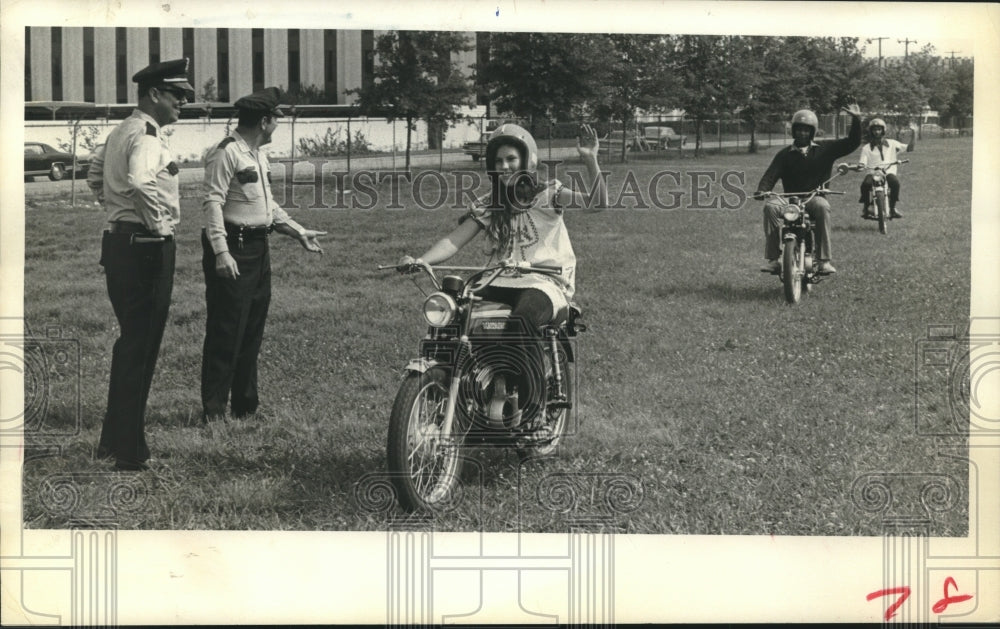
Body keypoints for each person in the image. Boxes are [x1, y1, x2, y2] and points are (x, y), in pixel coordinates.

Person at [396, 122, 607, 425]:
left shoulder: (549, 194)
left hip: (545, 282)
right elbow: (454, 240)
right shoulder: (489, 204)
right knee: (454, 312)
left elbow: (597, 203)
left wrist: (590, 158)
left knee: (522, 320)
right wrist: (421, 259)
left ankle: (531, 407)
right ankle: (454, 383)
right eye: (498, 161)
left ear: (527, 159)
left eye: (511, 159)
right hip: (498, 280)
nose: (505, 166)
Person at [200, 86, 326, 421]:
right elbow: (212, 202)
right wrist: (220, 251)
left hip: (258, 246)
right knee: (227, 330)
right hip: (233, 246)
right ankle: (214, 412)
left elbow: (267, 207)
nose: (277, 127)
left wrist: (298, 231)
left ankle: (245, 407)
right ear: (264, 121)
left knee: (252, 329)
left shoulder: (257, 154)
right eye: (276, 121)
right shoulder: (226, 152)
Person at [96, 58, 194, 471]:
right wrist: (156, 224)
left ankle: (111, 440)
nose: (182, 104)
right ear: (154, 94)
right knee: (142, 348)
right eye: (177, 96)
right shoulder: (149, 136)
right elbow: (139, 182)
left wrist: (117, 211)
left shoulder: (121, 130)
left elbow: (91, 175)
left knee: (130, 345)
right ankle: (130, 451)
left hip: (119, 244)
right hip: (146, 249)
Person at [754, 104, 863, 275]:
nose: (802, 133)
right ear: (794, 131)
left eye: (806, 130)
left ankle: (823, 260)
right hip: (790, 199)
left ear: (812, 132)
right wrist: (762, 189)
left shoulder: (825, 149)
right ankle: (773, 259)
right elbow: (771, 174)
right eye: (799, 129)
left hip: (814, 197)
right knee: (770, 207)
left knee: (822, 206)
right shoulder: (784, 155)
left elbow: (852, 142)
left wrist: (856, 120)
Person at [856, 118, 916, 219]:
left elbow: (910, 148)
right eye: (874, 129)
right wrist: (861, 165)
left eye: (879, 129)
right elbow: (863, 162)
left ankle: (892, 208)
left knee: (895, 183)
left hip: (888, 171)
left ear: (883, 130)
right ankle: (866, 207)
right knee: (865, 185)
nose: (877, 132)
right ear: (871, 131)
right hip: (873, 172)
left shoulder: (892, 143)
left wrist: (914, 133)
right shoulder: (866, 148)